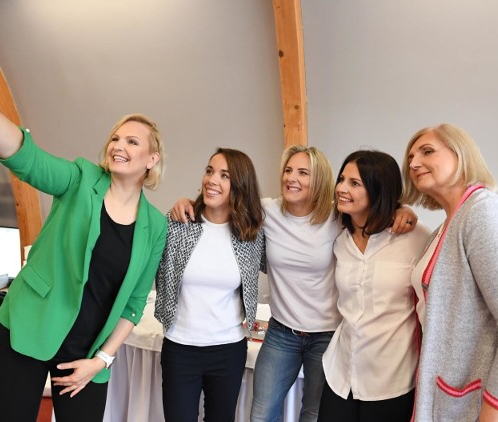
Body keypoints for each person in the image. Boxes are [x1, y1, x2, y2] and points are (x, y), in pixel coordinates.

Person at [0, 46, 167, 421]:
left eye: (132, 141)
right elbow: (23, 156)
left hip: (86, 353)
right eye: (116, 138)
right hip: (29, 328)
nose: (119, 145)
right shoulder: (80, 179)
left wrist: (101, 360)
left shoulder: (156, 225)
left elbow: (133, 304)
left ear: (152, 160)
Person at [171, 145, 418, 422]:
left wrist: (403, 210)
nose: (292, 178)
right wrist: (187, 203)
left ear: (320, 181)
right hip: (281, 333)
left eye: (303, 173)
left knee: (313, 414)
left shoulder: (339, 218)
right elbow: (226, 203)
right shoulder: (266, 212)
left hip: (326, 335)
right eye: (288, 170)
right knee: (261, 414)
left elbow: (374, 209)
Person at [403, 123, 498, 422]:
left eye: (427, 151)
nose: (414, 163)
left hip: (480, 408)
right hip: (450, 400)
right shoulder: (446, 227)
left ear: (461, 154)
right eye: (411, 157)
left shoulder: (486, 214)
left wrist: (495, 417)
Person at [317, 150, 430, 421]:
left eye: (354, 183)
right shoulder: (338, 237)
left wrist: (405, 210)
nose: (341, 188)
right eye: (342, 179)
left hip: (391, 382)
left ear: (380, 190)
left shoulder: (417, 238)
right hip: (340, 375)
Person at [154, 148, 265, 421]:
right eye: (209, 171)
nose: (212, 180)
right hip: (180, 347)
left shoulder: (251, 234)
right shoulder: (179, 223)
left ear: (240, 185)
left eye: (224, 175)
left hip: (229, 349)